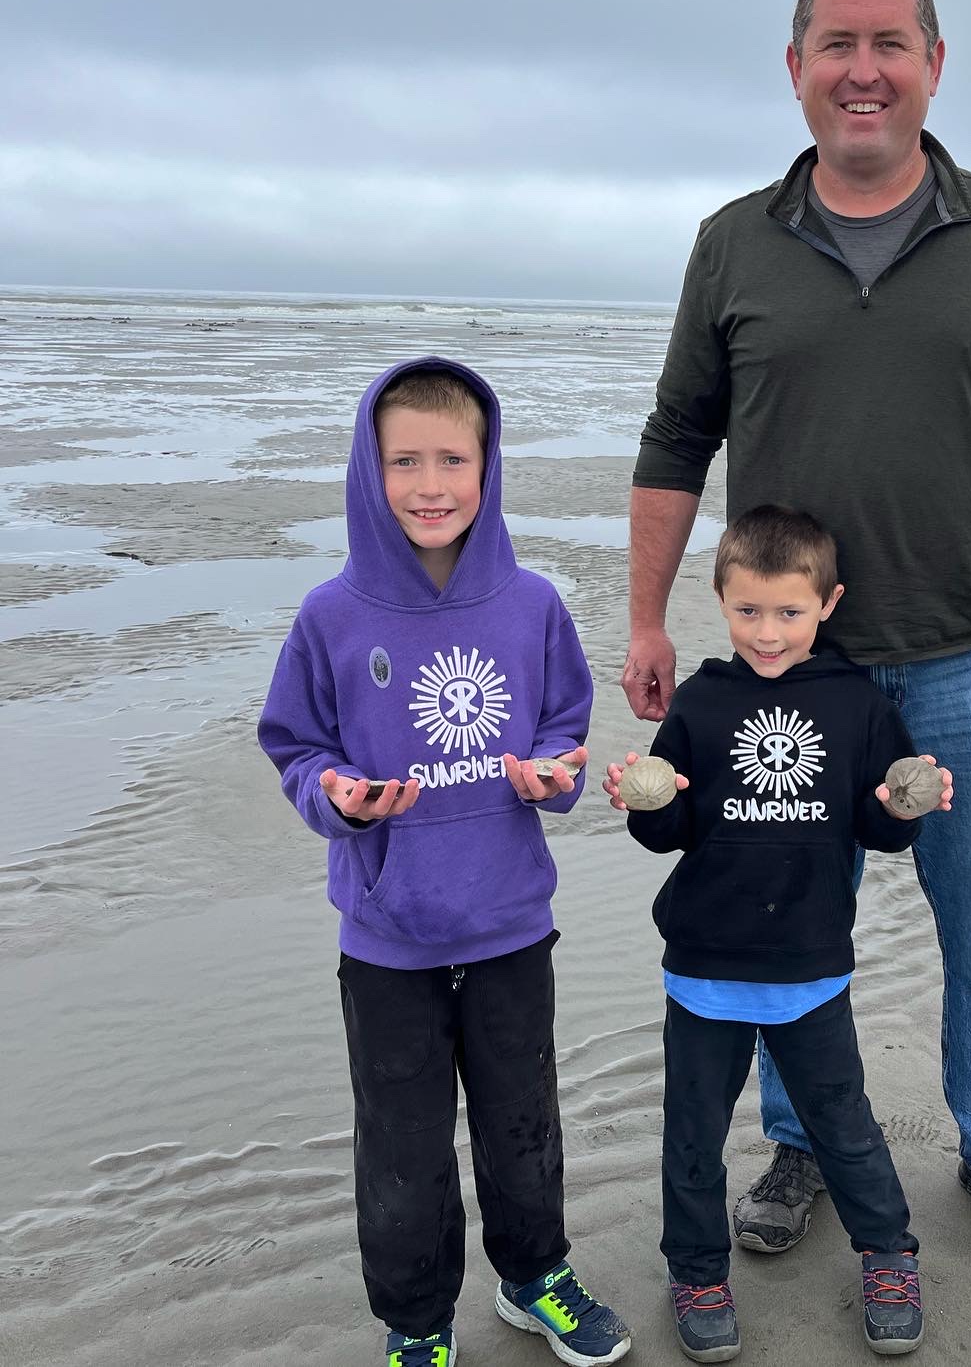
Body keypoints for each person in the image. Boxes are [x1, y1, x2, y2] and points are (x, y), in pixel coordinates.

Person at [623, 0, 971, 1277]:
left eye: (889, 44)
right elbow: (676, 438)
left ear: (934, 63)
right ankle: (800, 1142)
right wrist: (647, 620)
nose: (864, 71)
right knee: (784, 917)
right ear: (795, 66)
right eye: (837, 46)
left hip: (968, 658)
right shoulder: (732, 242)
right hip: (792, 670)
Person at [258, 359, 631, 1367]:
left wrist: (552, 773)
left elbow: (563, 727)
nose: (431, 485)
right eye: (404, 461)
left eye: (453, 460)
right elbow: (296, 746)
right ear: (367, 470)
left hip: (510, 923)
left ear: (488, 464)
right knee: (402, 1146)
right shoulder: (331, 615)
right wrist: (335, 794)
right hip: (388, 939)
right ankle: (418, 1321)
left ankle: (534, 1276)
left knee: (524, 1121)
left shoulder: (534, 605)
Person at [605, 505, 953, 1360]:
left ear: (827, 604)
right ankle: (697, 1273)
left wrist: (904, 807)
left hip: (809, 964)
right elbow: (671, 828)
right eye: (748, 610)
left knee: (845, 1126)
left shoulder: (857, 704)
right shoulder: (701, 703)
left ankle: (888, 1255)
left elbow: (880, 827)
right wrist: (645, 802)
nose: (768, 632)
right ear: (721, 599)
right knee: (693, 1137)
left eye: (790, 611)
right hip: (705, 966)